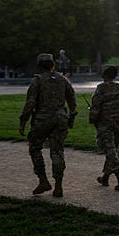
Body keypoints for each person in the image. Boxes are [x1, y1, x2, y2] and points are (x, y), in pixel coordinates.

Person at [18, 53, 77, 198]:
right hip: (60, 118)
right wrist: (71, 114)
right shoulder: (63, 79)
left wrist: (23, 121)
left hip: (43, 118)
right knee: (57, 151)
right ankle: (58, 186)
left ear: (38, 66)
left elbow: (30, 103)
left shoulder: (37, 81)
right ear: (53, 65)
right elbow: (72, 99)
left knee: (35, 147)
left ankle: (43, 180)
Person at [89, 65, 119, 191]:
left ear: (104, 75)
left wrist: (92, 118)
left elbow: (96, 107)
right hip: (118, 124)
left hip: (105, 124)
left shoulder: (101, 89)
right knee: (111, 150)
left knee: (110, 151)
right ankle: (105, 177)